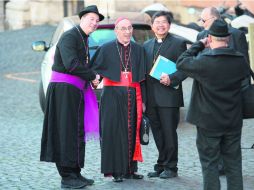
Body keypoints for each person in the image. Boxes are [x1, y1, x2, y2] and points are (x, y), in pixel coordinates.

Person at [176, 19, 250, 190]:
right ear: (228, 38)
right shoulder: (239, 60)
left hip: (208, 122)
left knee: (209, 165)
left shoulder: (204, 61)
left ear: (209, 38)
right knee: (233, 164)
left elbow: (181, 61)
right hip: (232, 120)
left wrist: (199, 45)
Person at [40, 5, 104, 189]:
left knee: (76, 131)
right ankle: (67, 177)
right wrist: (92, 75)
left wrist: (90, 77)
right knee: (66, 132)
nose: (94, 23)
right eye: (91, 19)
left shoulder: (82, 38)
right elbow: (71, 64)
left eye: (97, 21)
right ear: (82, 18)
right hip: (64, 91)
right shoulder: (70, 36)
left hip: (75, 91)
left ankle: (75, 172)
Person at [91, 17, 146, 182]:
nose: (127, 32)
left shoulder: (138, 49)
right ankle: (116, 171)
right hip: (112, 94)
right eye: (123, 28)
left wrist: (144, 101)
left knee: (132, 131)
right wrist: (95, 80)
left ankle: (131, 169)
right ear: (116, 31)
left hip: (133, 93)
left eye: (129, 28)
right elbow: (95, 70)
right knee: (114, 132)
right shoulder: (106, 48)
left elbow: (143, 78)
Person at [197, 6, 249, 175]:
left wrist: (241, 96)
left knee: (229, 137)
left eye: (203, 20)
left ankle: (229, 165)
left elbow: (244, 68)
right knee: (210, 137)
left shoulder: (236, 35)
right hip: (206, 97)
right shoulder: (200, 36)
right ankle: (217, 165)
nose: (202, 24)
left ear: (214, 19)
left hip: (230, 98)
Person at [143, 11, 187, 179]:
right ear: (152, 26)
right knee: (158, 133)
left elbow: (185, 68)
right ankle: (161, 164)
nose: (160, 25)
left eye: (164, 22)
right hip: (151, 97)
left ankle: (172, 166)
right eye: (157, 22)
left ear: (169, 25)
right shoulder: (146, 45)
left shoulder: (178, 43)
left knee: (169, 132)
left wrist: (172, 78)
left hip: (169, 96)